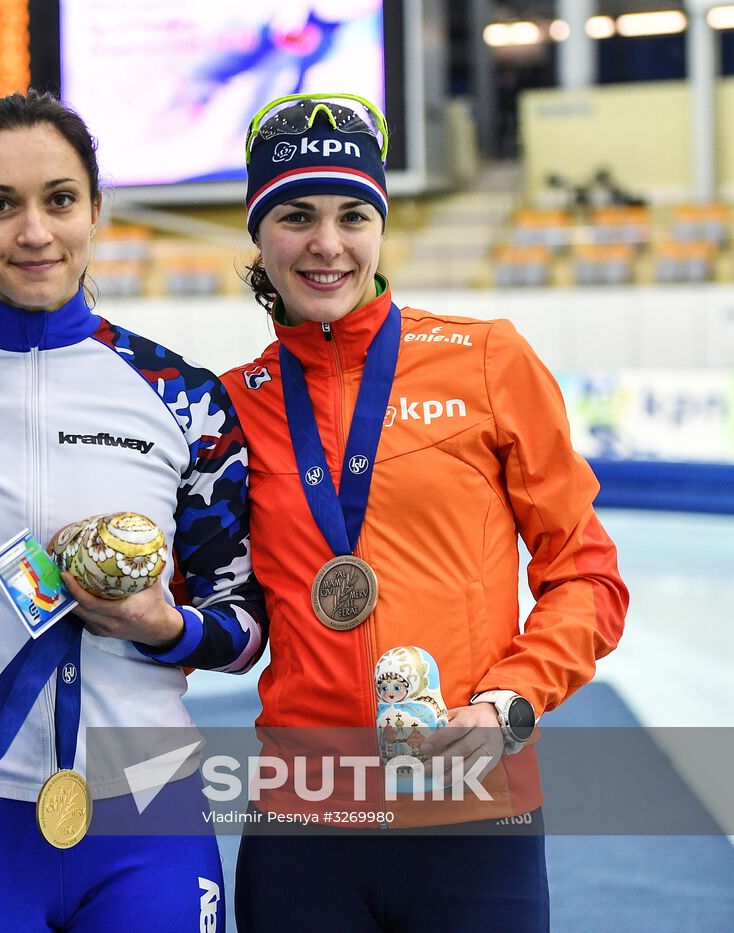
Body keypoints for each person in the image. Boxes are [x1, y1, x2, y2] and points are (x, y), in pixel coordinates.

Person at [0, 90, 265, 930]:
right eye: (0, 206)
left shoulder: (183, 397)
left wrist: (161, 626)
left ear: (95, 210)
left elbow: (244, 620)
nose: (34, 233)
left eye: (60, 200)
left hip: (147, 801)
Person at [221, 93, 629, 931]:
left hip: (473, 810)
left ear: (381, 225)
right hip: (304, 823)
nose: (326, 244)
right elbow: (221, 601)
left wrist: (510, 701)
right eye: (295, 215)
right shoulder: (233, 405)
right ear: (259, 234)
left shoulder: (489, 360)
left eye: (352, 214)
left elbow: (587, 575)